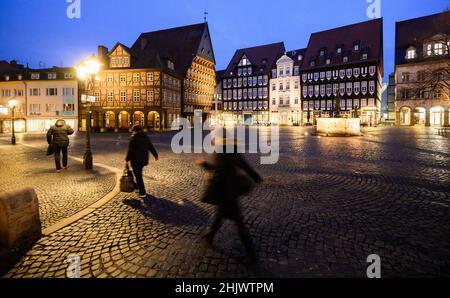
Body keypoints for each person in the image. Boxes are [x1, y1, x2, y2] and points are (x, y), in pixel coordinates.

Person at [196, 136, 262, 267]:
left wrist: (203, 163)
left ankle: (251, 255)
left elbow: (221, 169)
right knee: (219, 215)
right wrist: (256, 177)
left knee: (238, 222)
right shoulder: (229, 150)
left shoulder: (225, 151)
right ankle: (210, 236)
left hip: (227, 192)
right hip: (227, 190)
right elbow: (242, 166)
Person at [125, 125, 159, 199]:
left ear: (134, 130)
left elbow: (130, 150)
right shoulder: (145, 137)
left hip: (135, 160)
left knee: (138, 176)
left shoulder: (133, 138)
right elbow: (151, 147)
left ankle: (142, 192)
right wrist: (155, 155)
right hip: (143, 159)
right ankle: (137, 187)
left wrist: (127, 159)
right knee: (138, 174)